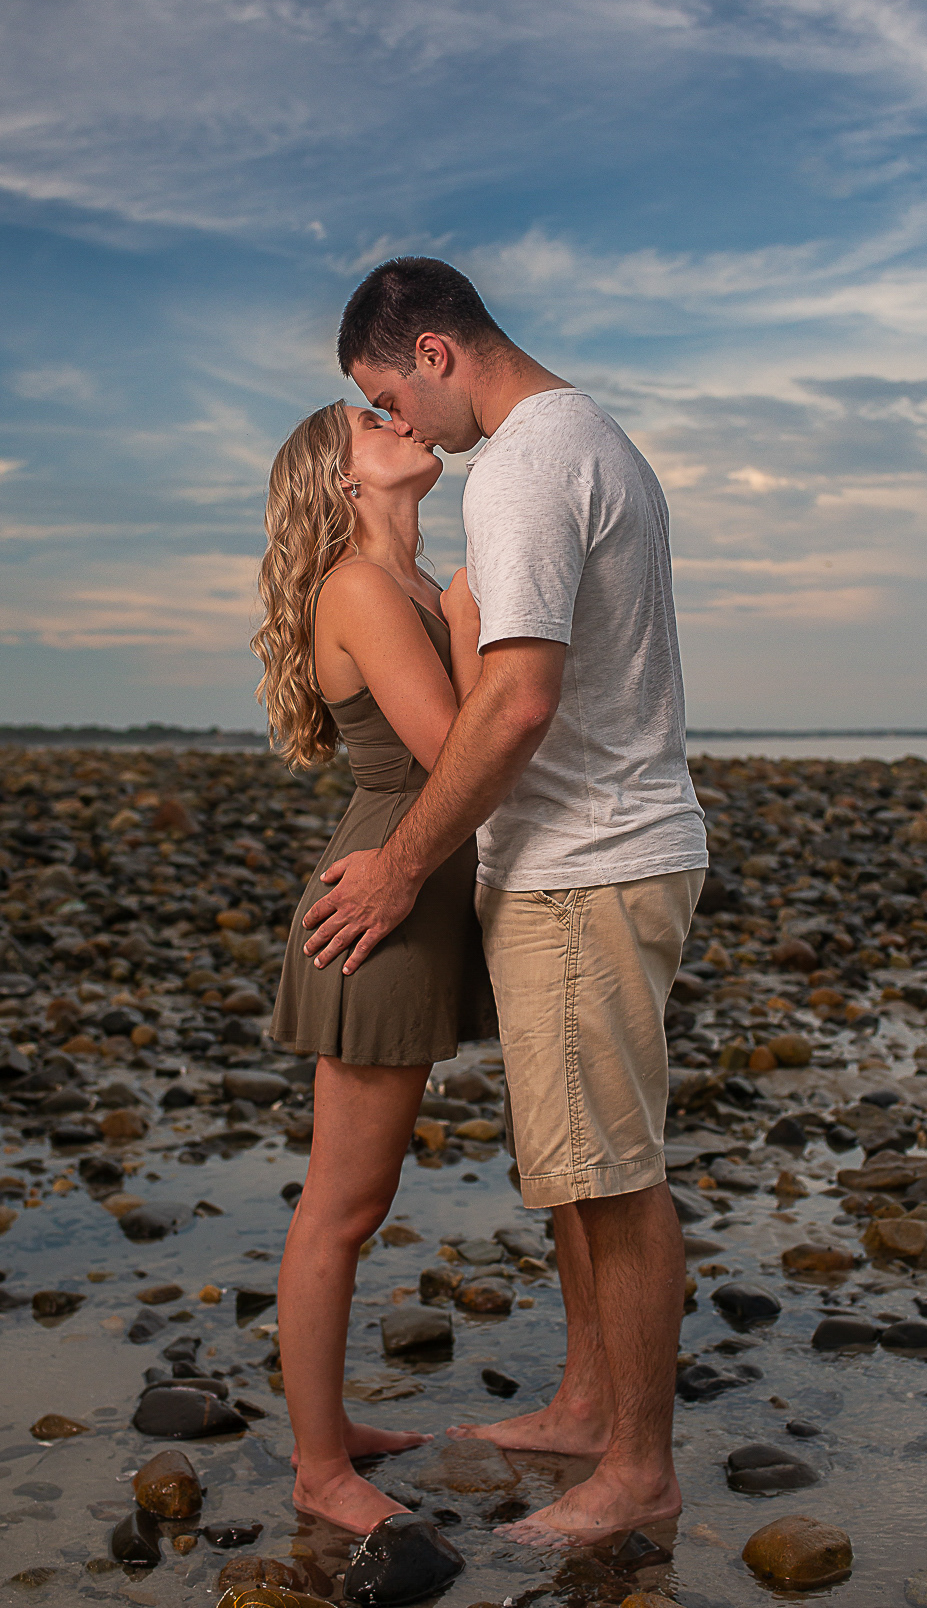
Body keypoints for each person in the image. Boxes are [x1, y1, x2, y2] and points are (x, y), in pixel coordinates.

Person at [301, 257, 709, 1545]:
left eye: (387, 394)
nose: (400, 424)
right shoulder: (581, 436)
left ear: (431, 351)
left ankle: (635, 1469)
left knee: (610, 1174)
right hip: (586, 849)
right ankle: (592, 1405)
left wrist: (407, 862)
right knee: (577, 1169)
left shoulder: (526, 465)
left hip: (585, 855)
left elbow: (513, 700)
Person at [250, 396, 493, 1577]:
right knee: (341, 1204)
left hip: (415, 894)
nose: (400, 417)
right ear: (347, 479)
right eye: (372, 418)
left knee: (361, 1193)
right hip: (379, 905)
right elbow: (458, 751)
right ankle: (317, 1465)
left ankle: (326, 1420)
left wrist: (452, 600)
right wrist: (463, 612)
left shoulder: (407, 579)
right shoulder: (359, 585)